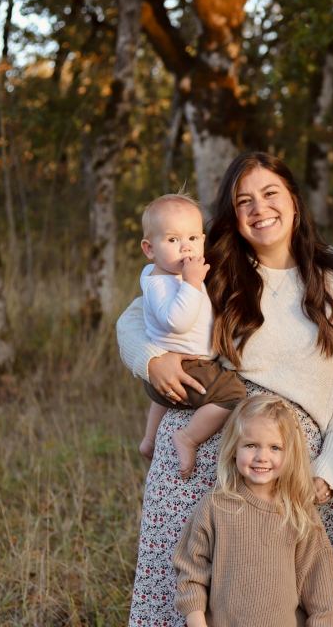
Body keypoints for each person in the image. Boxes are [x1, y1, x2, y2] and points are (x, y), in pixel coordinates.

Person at [119, 152, 333, 626]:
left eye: (270, 193)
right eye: (243, 200)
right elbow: (132, 319)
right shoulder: (214, 266)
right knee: (184, 591)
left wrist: (329, 468)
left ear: (294, 200)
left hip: (289, 460)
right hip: (203, 448)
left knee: (298, 596)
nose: (259, 208)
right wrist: (151, 360)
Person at [174, 394, 333, 626]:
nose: (262, 457)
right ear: (234, 448)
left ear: (289, 454)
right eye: (251, 445)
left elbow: (321, 592)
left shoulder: (299, 514)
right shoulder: (215, 506)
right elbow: (191, 572)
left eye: (275, 447)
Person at [136, 193, 247, 476]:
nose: (186, 247)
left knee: (163, 397)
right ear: (149, 249)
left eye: (193, 238)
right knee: (233, 394)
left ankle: (149, 439)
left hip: (170, 369)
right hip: (190, 366)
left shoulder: (164, 275)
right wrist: (192, 283)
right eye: (173, 240)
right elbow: (177, 322)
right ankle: (188, 438)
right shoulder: (162, 284)